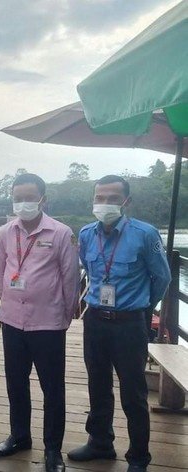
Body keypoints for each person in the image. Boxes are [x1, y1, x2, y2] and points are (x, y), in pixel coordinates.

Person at [68, 175, 171, 472]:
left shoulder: (145, 234)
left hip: (130, 325)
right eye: (100, 197)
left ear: (126, 202)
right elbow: (89, 269)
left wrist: (142, 307)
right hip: (96, 321)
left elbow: (161, 277)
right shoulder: (87, 233)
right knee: (97, 385)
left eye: (113, 198)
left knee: (133, 392)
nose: (105, 203)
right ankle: (100, 443)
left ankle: (138, 457)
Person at [0, 173, 79, 472]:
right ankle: (19, 436)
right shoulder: (5, 233)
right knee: (16, 383)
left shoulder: (61, 233)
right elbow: (0, 276)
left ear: (43, 199)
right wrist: (12, 304)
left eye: (29, 197)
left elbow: (70, 280)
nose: (23, 203)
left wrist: (63, 316)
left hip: (49, 325)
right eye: (18, 198)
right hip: (12, 322)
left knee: (52, 389)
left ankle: (53, 450)